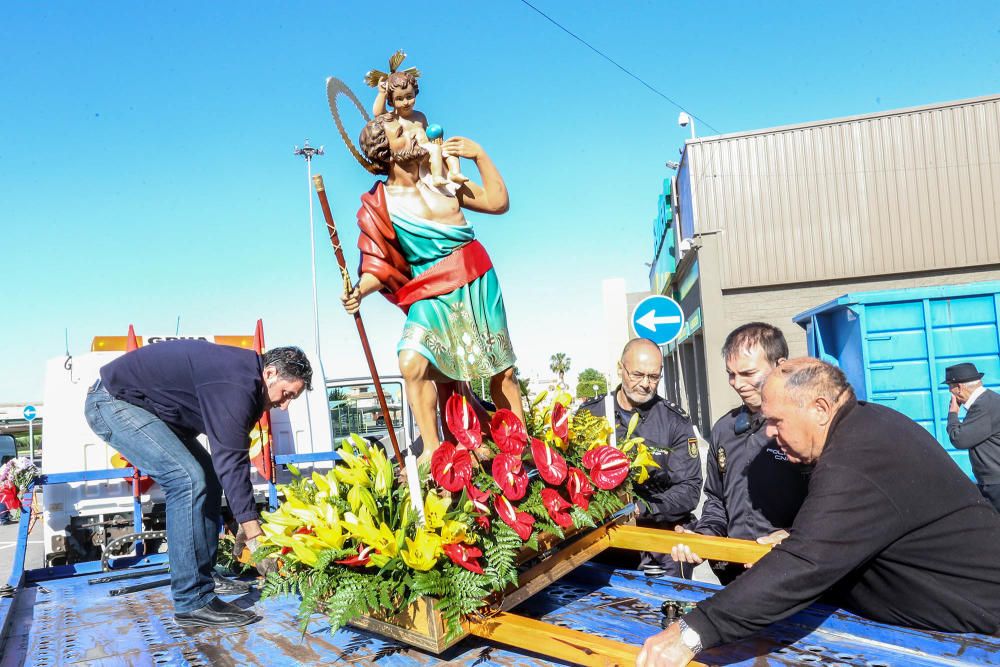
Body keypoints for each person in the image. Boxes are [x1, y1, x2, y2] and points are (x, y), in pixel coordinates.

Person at [637, 358, 1000, 667]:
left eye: (777, 421)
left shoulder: (856, 458)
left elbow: (804, 566)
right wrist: (805, 534)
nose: (769, 435)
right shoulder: (864, 426)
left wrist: (691, 632)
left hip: (979, 634)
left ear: (821, 409)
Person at [84, 340, 312, 628]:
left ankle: (202, 575)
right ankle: (192, 600)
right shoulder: (236, 383)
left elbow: (232, 458)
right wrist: (255, 534)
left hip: (144, 408)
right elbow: (230, 461)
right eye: (286, 394)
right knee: (187, 479)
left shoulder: (248, 385)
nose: (285, 405)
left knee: (208, 477)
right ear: (269, 373)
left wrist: (245, 519)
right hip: (112, 402)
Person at [343, 110, 523, 462]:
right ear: (389, 153)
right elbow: (378, 263)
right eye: (401, 131)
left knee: (502, 371)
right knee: (412, 361)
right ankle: (432, 449)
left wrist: (480, 155)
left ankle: (520, 446)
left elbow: (497, 203)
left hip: (476, 279)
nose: (414, 132)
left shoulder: (442, 180)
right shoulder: (378, 205)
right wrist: (359, 291)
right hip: (430, 291)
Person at [670, 323, 809, 583]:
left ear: (781, 366)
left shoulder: (809, 430)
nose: (738, 384)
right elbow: (716, 501)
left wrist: (792, 535)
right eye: (731, 374)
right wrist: (705, 537)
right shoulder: (724, 430)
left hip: (792, 574)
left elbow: (832, 510)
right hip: (733, 577)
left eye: (748, 373)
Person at [580, 338, 701, 578]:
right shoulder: (589, 415)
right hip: (605, 545)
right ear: (620, 368)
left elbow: (689, 489)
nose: (645, 384)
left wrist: (641, 509)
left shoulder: (674, 421)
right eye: (637, 374)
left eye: (653, 377)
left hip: (659, 545)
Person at [371, 69, 468, 187]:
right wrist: (382, 93)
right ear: (391, 101)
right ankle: (437, 177)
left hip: (429, 148)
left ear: (415, 94)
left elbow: (428, 132)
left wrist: (436, 138)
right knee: (435, 149)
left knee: (448, 149)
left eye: (409, 96)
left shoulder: (420, 116)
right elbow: (378, 113)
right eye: (399, 99)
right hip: (415, 153)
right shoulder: (394, 118)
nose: (406, 102)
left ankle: (454, 172)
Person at [945, 362, 1000, 512]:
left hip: (996, 484)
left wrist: (953, 413)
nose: (950, 392)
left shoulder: (984, 406)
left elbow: (959, 439)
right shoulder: (989, 401)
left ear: (959, 388)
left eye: (950, 387)